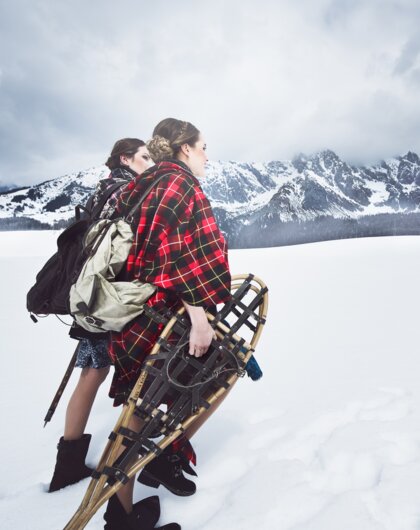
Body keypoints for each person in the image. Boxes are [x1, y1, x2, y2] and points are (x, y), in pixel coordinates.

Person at [102, 118, 231, 529]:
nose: (208, 156)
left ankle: (120, 514)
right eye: (203, 146)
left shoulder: (143, 183)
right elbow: (180, 259)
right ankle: (169, 453)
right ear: (185, 149)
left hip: (133, 313)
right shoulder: (180, 184)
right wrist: (199, 318)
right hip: (162, 316)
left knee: (135, 412)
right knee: (225, 368)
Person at [48, 138, 154, 493]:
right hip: (114, 299)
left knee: (92, 371)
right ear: (125, 158)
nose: (149, 162)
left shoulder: (101, 190)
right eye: (144, 156)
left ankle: (67, 466)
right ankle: (122, 476)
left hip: (89, 295)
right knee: (134, 379)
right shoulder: (128, 190)